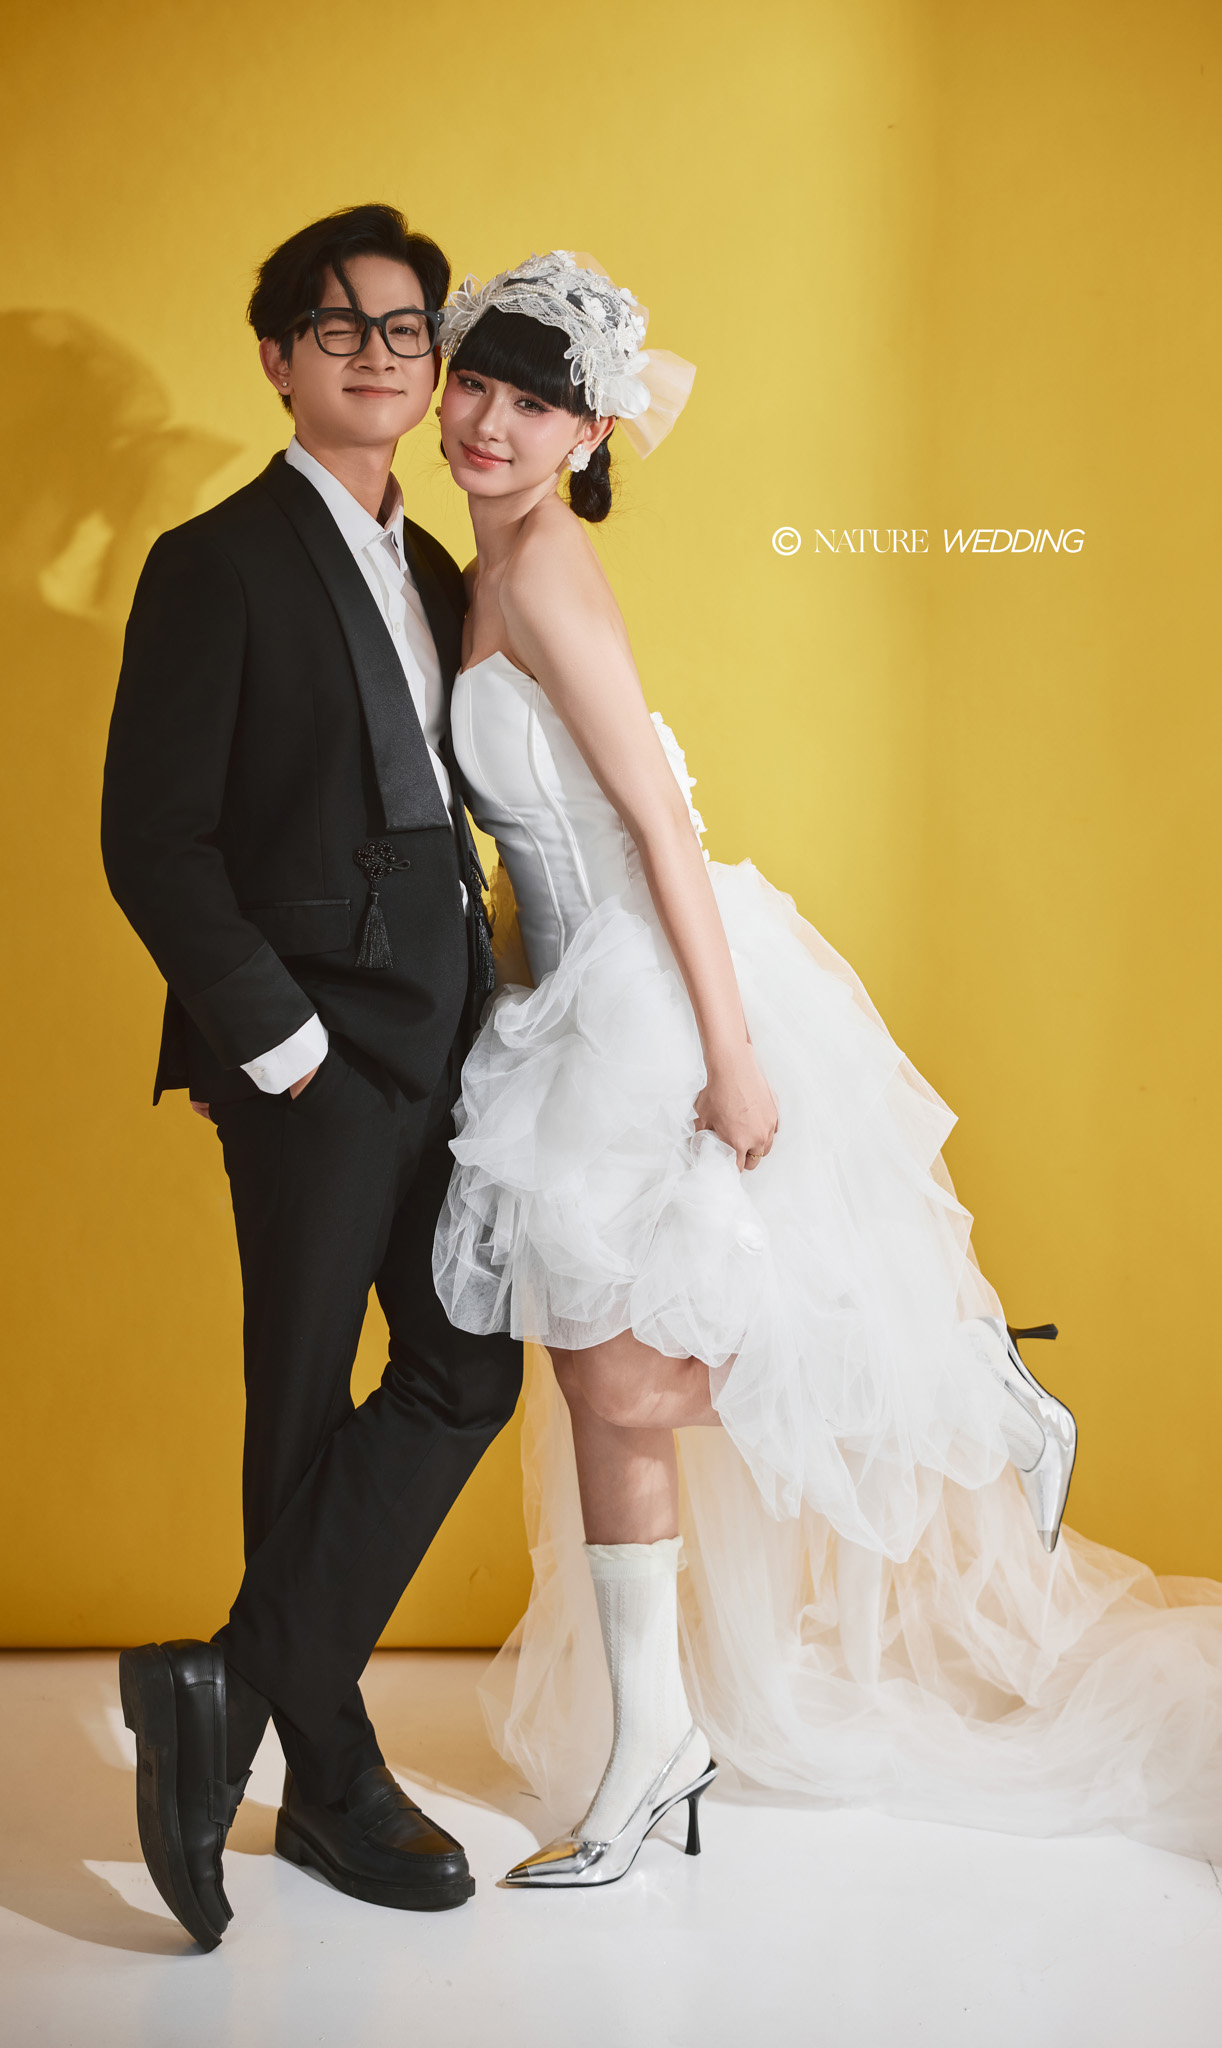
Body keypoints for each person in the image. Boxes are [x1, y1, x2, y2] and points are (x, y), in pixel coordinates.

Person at [429, 251, 1222, 1886]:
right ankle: (656, 1742)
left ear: (588, 435)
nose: (487, 424)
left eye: (531, 405)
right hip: (566, 991)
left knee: (615, 1371)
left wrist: (728, 1054)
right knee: (598, 1384)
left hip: (650, 984)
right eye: (474, 387)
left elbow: (656, 825)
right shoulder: (482, 564)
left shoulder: (550, 569)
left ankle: (966, 1397)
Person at [100, 204, 523, 1949]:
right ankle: (328, 1776)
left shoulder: (444, 571)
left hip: (453, 1036)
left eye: (406, 328)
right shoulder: (213, 562)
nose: (377, 354)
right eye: (337, 327)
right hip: (310, 1053)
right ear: (277, 358)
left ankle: (222, 1686)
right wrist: (281, 1048)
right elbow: (153, 837)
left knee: (464, 1363)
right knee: (297, 1399)